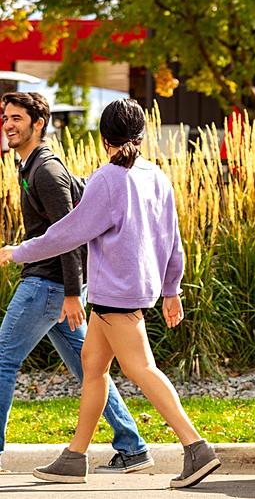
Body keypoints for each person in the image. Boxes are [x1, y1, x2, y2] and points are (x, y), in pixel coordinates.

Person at [0, 98, 220, 488]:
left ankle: (197, 448)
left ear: (104, 139)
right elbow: (174, 240)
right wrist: (172, 289)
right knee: (94, 369)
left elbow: (66, 233)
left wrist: (18, 252)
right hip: (118, 294)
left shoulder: (107, 179)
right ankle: (75, 456)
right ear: (141, 134)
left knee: (141, 369)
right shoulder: (155, 175)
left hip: (117, 296)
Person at [0, 92, 151, 475]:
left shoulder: (46, 171)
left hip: (46, 285)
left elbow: (71, 234)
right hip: (53, 287)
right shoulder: (29, 166)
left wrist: (71, 292)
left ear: (38, 125)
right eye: (5, 118)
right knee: (91, 370)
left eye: (17, 118)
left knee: (2, 359)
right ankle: (132, 446)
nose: (8, 125)